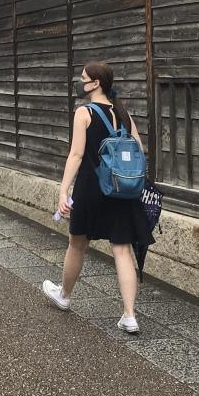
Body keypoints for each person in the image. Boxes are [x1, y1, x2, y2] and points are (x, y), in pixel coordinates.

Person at [43, 61, 152, 334]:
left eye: (84, 79)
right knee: (123, 249)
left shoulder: (84, 113)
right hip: (123, 190)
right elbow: (138, 149)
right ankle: (129, 315)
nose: (81, 83)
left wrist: (63, 190)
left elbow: (76, 155)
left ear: (96, 83)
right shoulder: (124, 113)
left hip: (92, 188)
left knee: (77, 243)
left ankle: (65, 295)